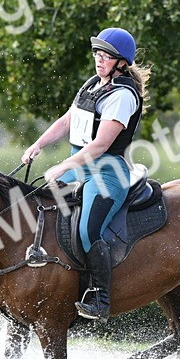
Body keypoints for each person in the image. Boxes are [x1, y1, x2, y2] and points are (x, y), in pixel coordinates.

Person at [21, 27, 150, 320]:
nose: (99, 60)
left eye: (106, 56)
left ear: (121, 62)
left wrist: (65, 166)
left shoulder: (122, 96)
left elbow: (102, 144)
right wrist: (38, 144)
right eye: (97, 54)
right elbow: (67, 121)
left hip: (106, 174)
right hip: (79, 166)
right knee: (39, 207)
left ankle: (100, 299)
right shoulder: (93, 84)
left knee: (87, 231)